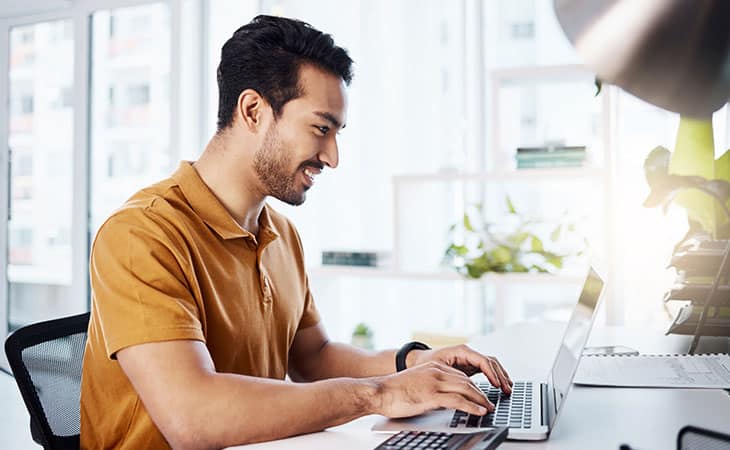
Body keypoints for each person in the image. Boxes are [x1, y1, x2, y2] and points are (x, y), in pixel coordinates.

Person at [79, 15, 512, 450]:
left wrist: (413, 362)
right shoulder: (143, 234)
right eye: (321, 129)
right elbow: (193, 418)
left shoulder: (280, 233)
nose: (332, 157)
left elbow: (314, 358)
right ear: (253, 111)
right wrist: (381, 394)